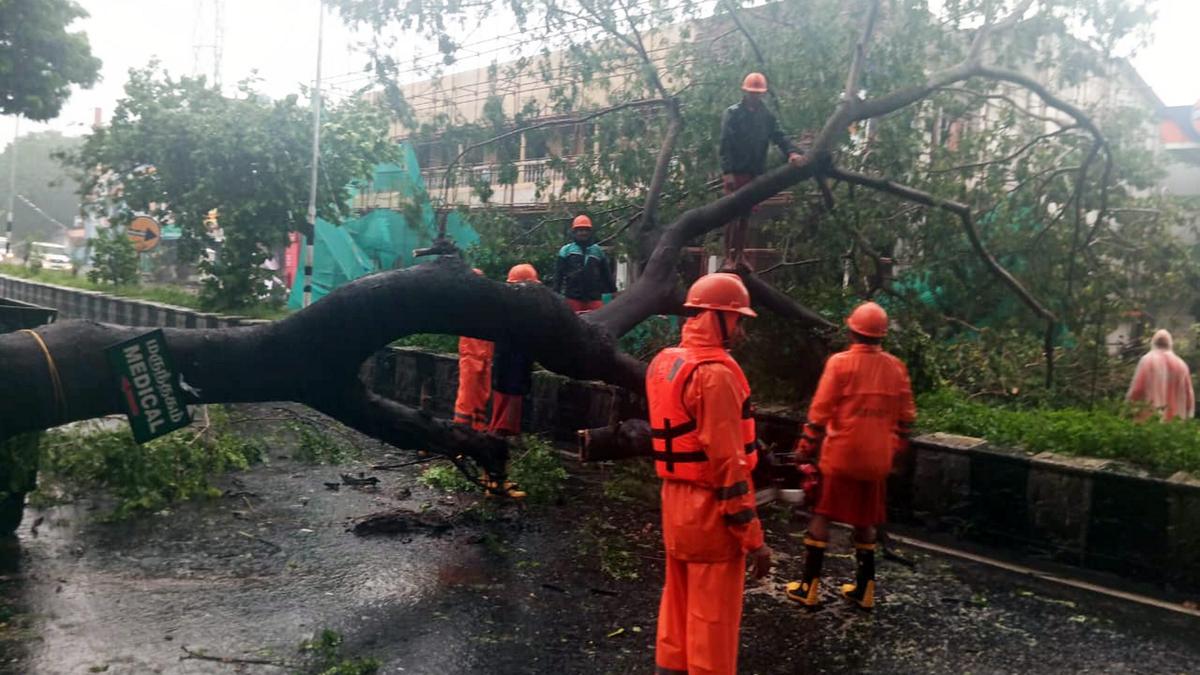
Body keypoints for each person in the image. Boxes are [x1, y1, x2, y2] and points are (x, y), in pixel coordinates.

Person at [647, 272, 770, 675]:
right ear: (716, 317)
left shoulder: (666, 363)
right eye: (737, 319)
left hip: (674, 504)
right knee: (712, 621)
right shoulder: (715, 375)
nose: (741, 327)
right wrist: (753, 539)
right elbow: (727, 465)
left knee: (677, 605)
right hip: (710, 512)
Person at [785, 301, 915, 610]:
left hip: (841, 457)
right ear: (881, 335)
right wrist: (893, 451)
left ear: (853, 330)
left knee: (822, 515)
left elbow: (819, 413)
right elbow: (907, 418)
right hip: (876, 461)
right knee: (865, 521)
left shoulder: (840, 364)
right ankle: (864, 589)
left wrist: (804, 447)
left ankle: (809, 587)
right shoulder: (896, 368)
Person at [719, 72, 803, 269]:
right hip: (736, 170)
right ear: (745, 92)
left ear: (762, 94)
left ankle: (740, 255)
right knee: (732, 214)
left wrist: (792, 152)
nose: (754, 96)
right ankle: (728, 257)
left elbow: (780, 136)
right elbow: (725, 143)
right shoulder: (733, 113)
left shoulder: (766, 116)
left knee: (746, 215)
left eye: (758, 93)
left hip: (755, 171)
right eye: (751, 93)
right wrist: (727, 172)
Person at [453, 268, 493, 431]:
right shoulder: (465, 302)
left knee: (481, 395)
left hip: (484, 355)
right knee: (467, 395)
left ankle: (478, 428)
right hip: (471, 355)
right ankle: (461, 429)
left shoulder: (487, 302)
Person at [1127, 329, 1195, 422]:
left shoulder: (1147, 361)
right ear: (1170, 344)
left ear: (1153, 343)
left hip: (1150, 421)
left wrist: (1128, 410)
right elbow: (1189, 397)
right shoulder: (1181, 365)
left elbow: (1137, 390)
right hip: (1175, 424)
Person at [554, 214, 616, 313]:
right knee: (573, 326)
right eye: (580, 230)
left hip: (594, 298)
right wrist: (555, 295)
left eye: (586, 230)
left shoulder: (597, 251)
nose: (583, 233)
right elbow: (559, 275)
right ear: (574, 232)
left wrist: (613, 292)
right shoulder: (566, 250)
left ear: (590, 232)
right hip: (573, 298)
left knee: (597, 323)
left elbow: (606, 274)